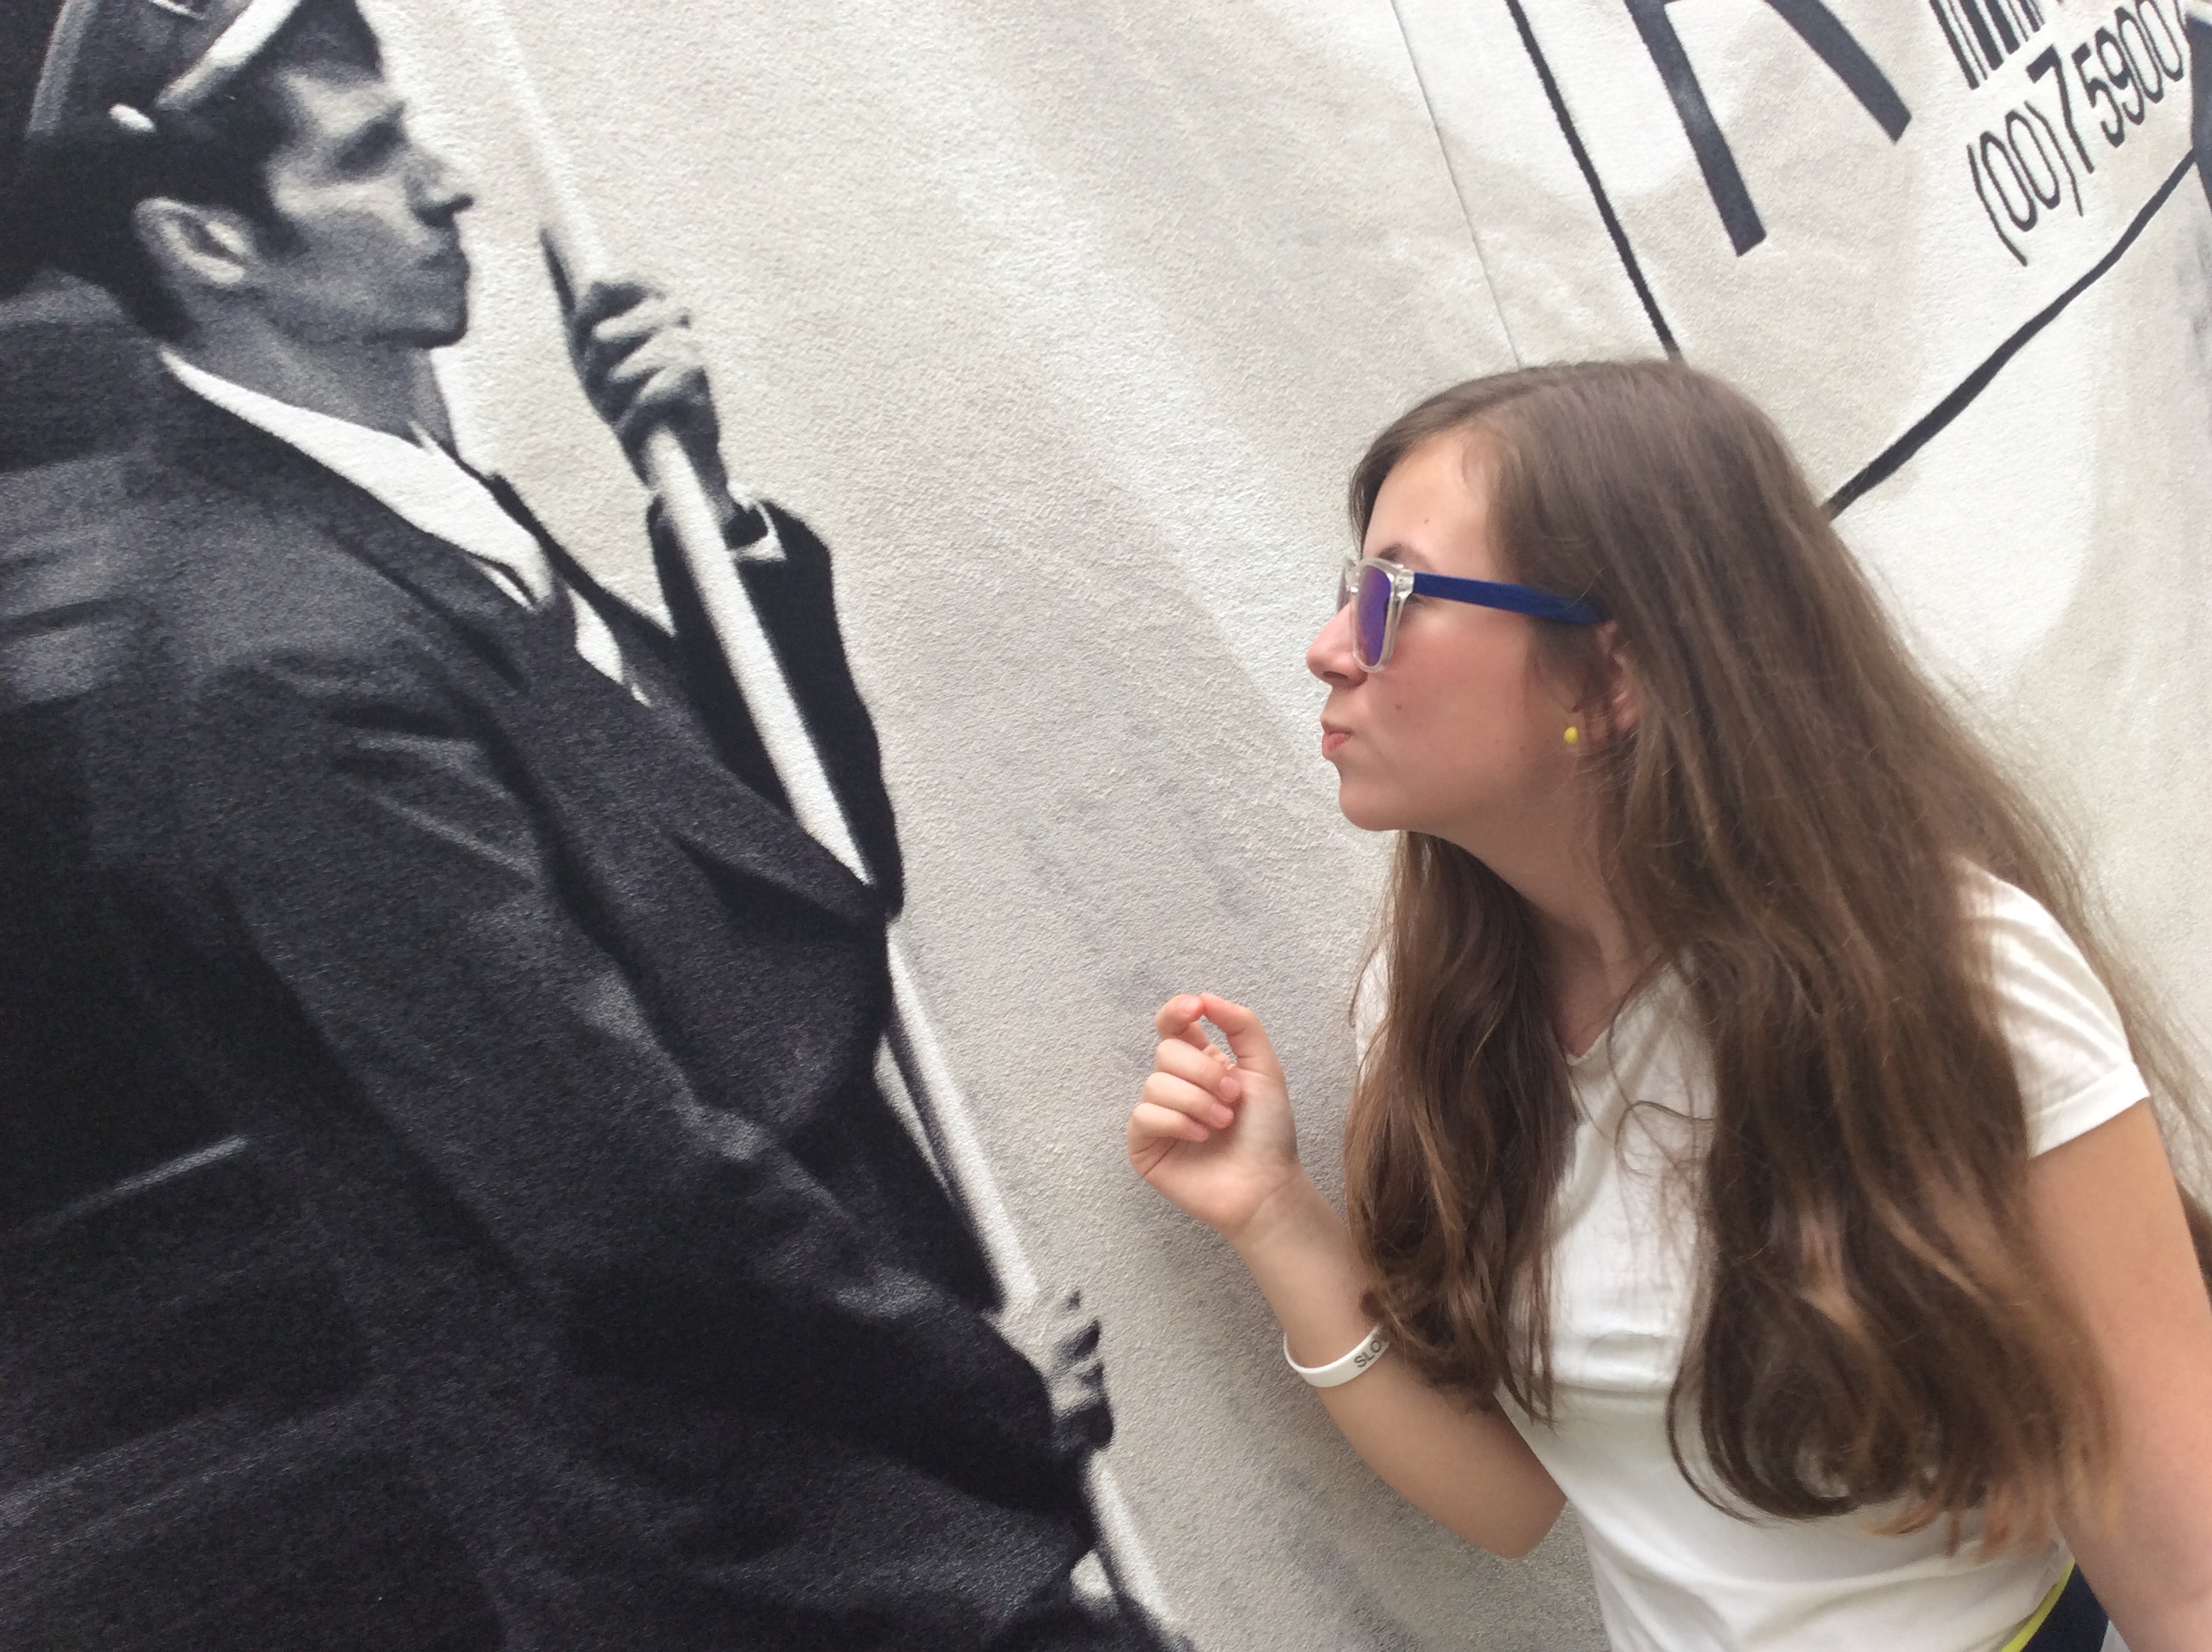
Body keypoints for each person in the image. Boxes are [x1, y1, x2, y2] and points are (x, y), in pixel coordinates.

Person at [4, 1, 1144, 1646]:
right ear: (207, 242)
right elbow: (615, 1184)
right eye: (370, 155)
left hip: (860, 1497)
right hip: (747, 1549)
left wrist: (704, 504)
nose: (448, 182)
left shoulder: (397, 520)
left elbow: (793, 890)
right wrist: (965, 1377)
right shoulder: (266, 662)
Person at [1127, 362, 2212, 1651]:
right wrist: (1276, 1216)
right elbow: (1521, 1503)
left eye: (1394, 596)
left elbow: (2187, 1583)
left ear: (1613, 673)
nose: (1329, 646)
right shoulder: (1433, 1016)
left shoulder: (1957, 984)